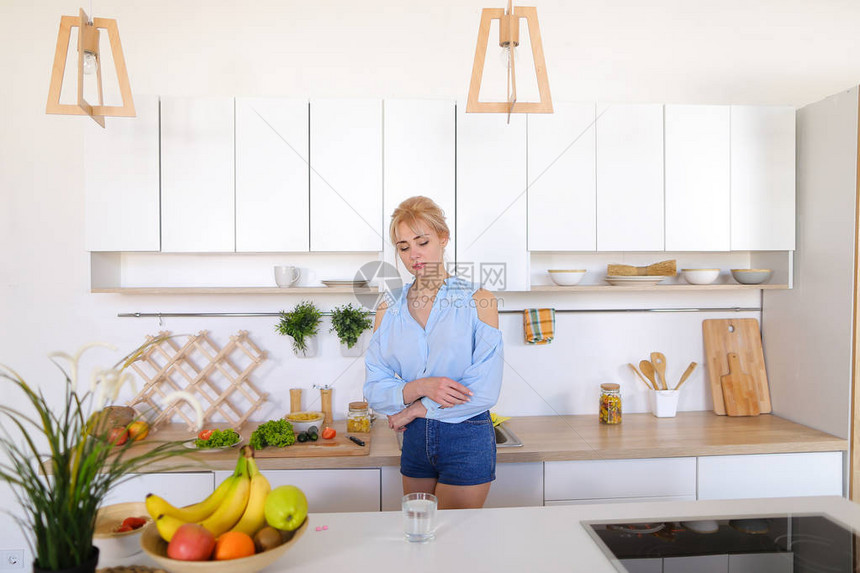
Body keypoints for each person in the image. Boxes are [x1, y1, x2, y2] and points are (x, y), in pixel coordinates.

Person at [363, 196, 504, 509]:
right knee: (419, 538)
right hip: (414, 439)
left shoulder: (480, 300)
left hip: (466, 435)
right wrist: (421, 388)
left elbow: (484, 391)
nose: (413, 254)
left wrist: (413, 407)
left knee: (455, 543)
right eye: (402, 247)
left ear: (443, 238)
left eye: (422, 241)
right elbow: (374, 388)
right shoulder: (388, 306)